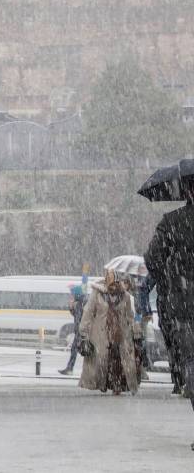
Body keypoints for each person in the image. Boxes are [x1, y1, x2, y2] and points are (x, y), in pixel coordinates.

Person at [144, 178, 194, 445]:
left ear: (186, 191)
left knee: (190, 360)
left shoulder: (172, 222)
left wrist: (168, 279)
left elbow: (152, 259)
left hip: (183, 303)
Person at [77, 269, 140, 396]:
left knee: (118, 361)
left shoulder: (125, 296)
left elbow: (130, 316)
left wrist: (136, 331)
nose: (114, 287)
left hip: (120, 334)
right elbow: (88, 311)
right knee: (102, 360)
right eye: (112, 284)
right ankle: (103, 383)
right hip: (101, 334)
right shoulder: (98, 294)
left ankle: (117, 385)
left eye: (116, 283)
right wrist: (83, 330)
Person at [58, 284, 85, 376]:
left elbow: (81, 317)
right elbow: (76, 315)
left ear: (76, 294)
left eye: (72, 293)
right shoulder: (80, 301)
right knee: (75, 350)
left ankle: (71, 369)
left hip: (83, 332)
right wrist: (71, 308)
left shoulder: (82, 302)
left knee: (86, 351)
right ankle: (69, 368)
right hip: (80, 331)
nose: (71, 295)